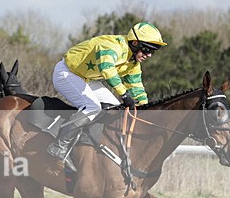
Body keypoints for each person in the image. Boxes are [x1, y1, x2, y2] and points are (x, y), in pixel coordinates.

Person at [47, 21, 167, 164]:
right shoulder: (112, 46)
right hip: (67, 73)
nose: (149, 55)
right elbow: (107, 69)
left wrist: (146, 109)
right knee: (93, 107)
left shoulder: (133, 63)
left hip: (86, 78)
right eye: (147, 50)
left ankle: (88, 143)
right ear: (135, 43)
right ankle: (59, 146)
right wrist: (124, 94)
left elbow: (136, 87)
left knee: (115, 108)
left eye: (153, 52)